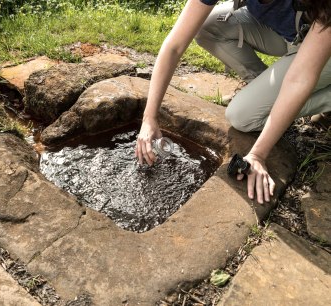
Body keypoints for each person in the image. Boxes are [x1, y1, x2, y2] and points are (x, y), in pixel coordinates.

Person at [135, 0, 331, 204]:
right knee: (206, 26)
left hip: (324, 41)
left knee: (242, 116)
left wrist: (257, 155)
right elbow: (175, 45)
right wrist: (149, 118)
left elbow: (299, 79)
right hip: (293, 33)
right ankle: (265, 93)